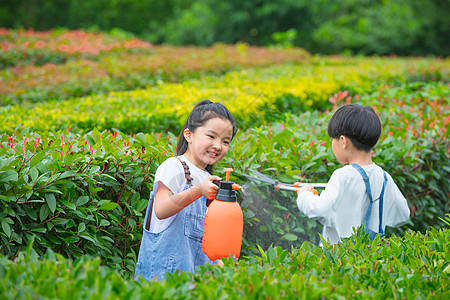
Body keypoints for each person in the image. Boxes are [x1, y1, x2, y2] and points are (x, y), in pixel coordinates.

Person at [134, 100, 237, 281]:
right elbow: (161, 209)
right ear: (189, 135)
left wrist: (221, 267)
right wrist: (198, 190)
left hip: (194, 280)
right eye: (211, 136)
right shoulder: (175, 167)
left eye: (225, 141)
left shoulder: (206, 178)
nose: (218, 146)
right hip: (163, 280)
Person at [296, 104, 410, 246]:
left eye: (333, 139)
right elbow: (403, 215)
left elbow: (319, 209)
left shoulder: (342, 175)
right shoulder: (384, 176)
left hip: (339, 260)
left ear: (343, 141)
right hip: (370, 258)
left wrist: (304, 195)